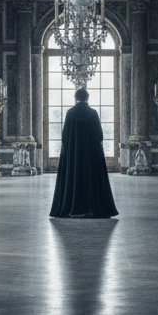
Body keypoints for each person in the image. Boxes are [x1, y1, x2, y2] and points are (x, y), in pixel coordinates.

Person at [49, 88, 118, 218]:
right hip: (91, 156)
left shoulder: (70, 113)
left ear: (76, 98)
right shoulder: (93, 114)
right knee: (92, 178)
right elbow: (99, 135)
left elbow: (65, 136)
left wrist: (69, 151)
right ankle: (91, 207)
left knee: (73, 177)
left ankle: (72, 207)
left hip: (74, 157)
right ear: (87, 98)